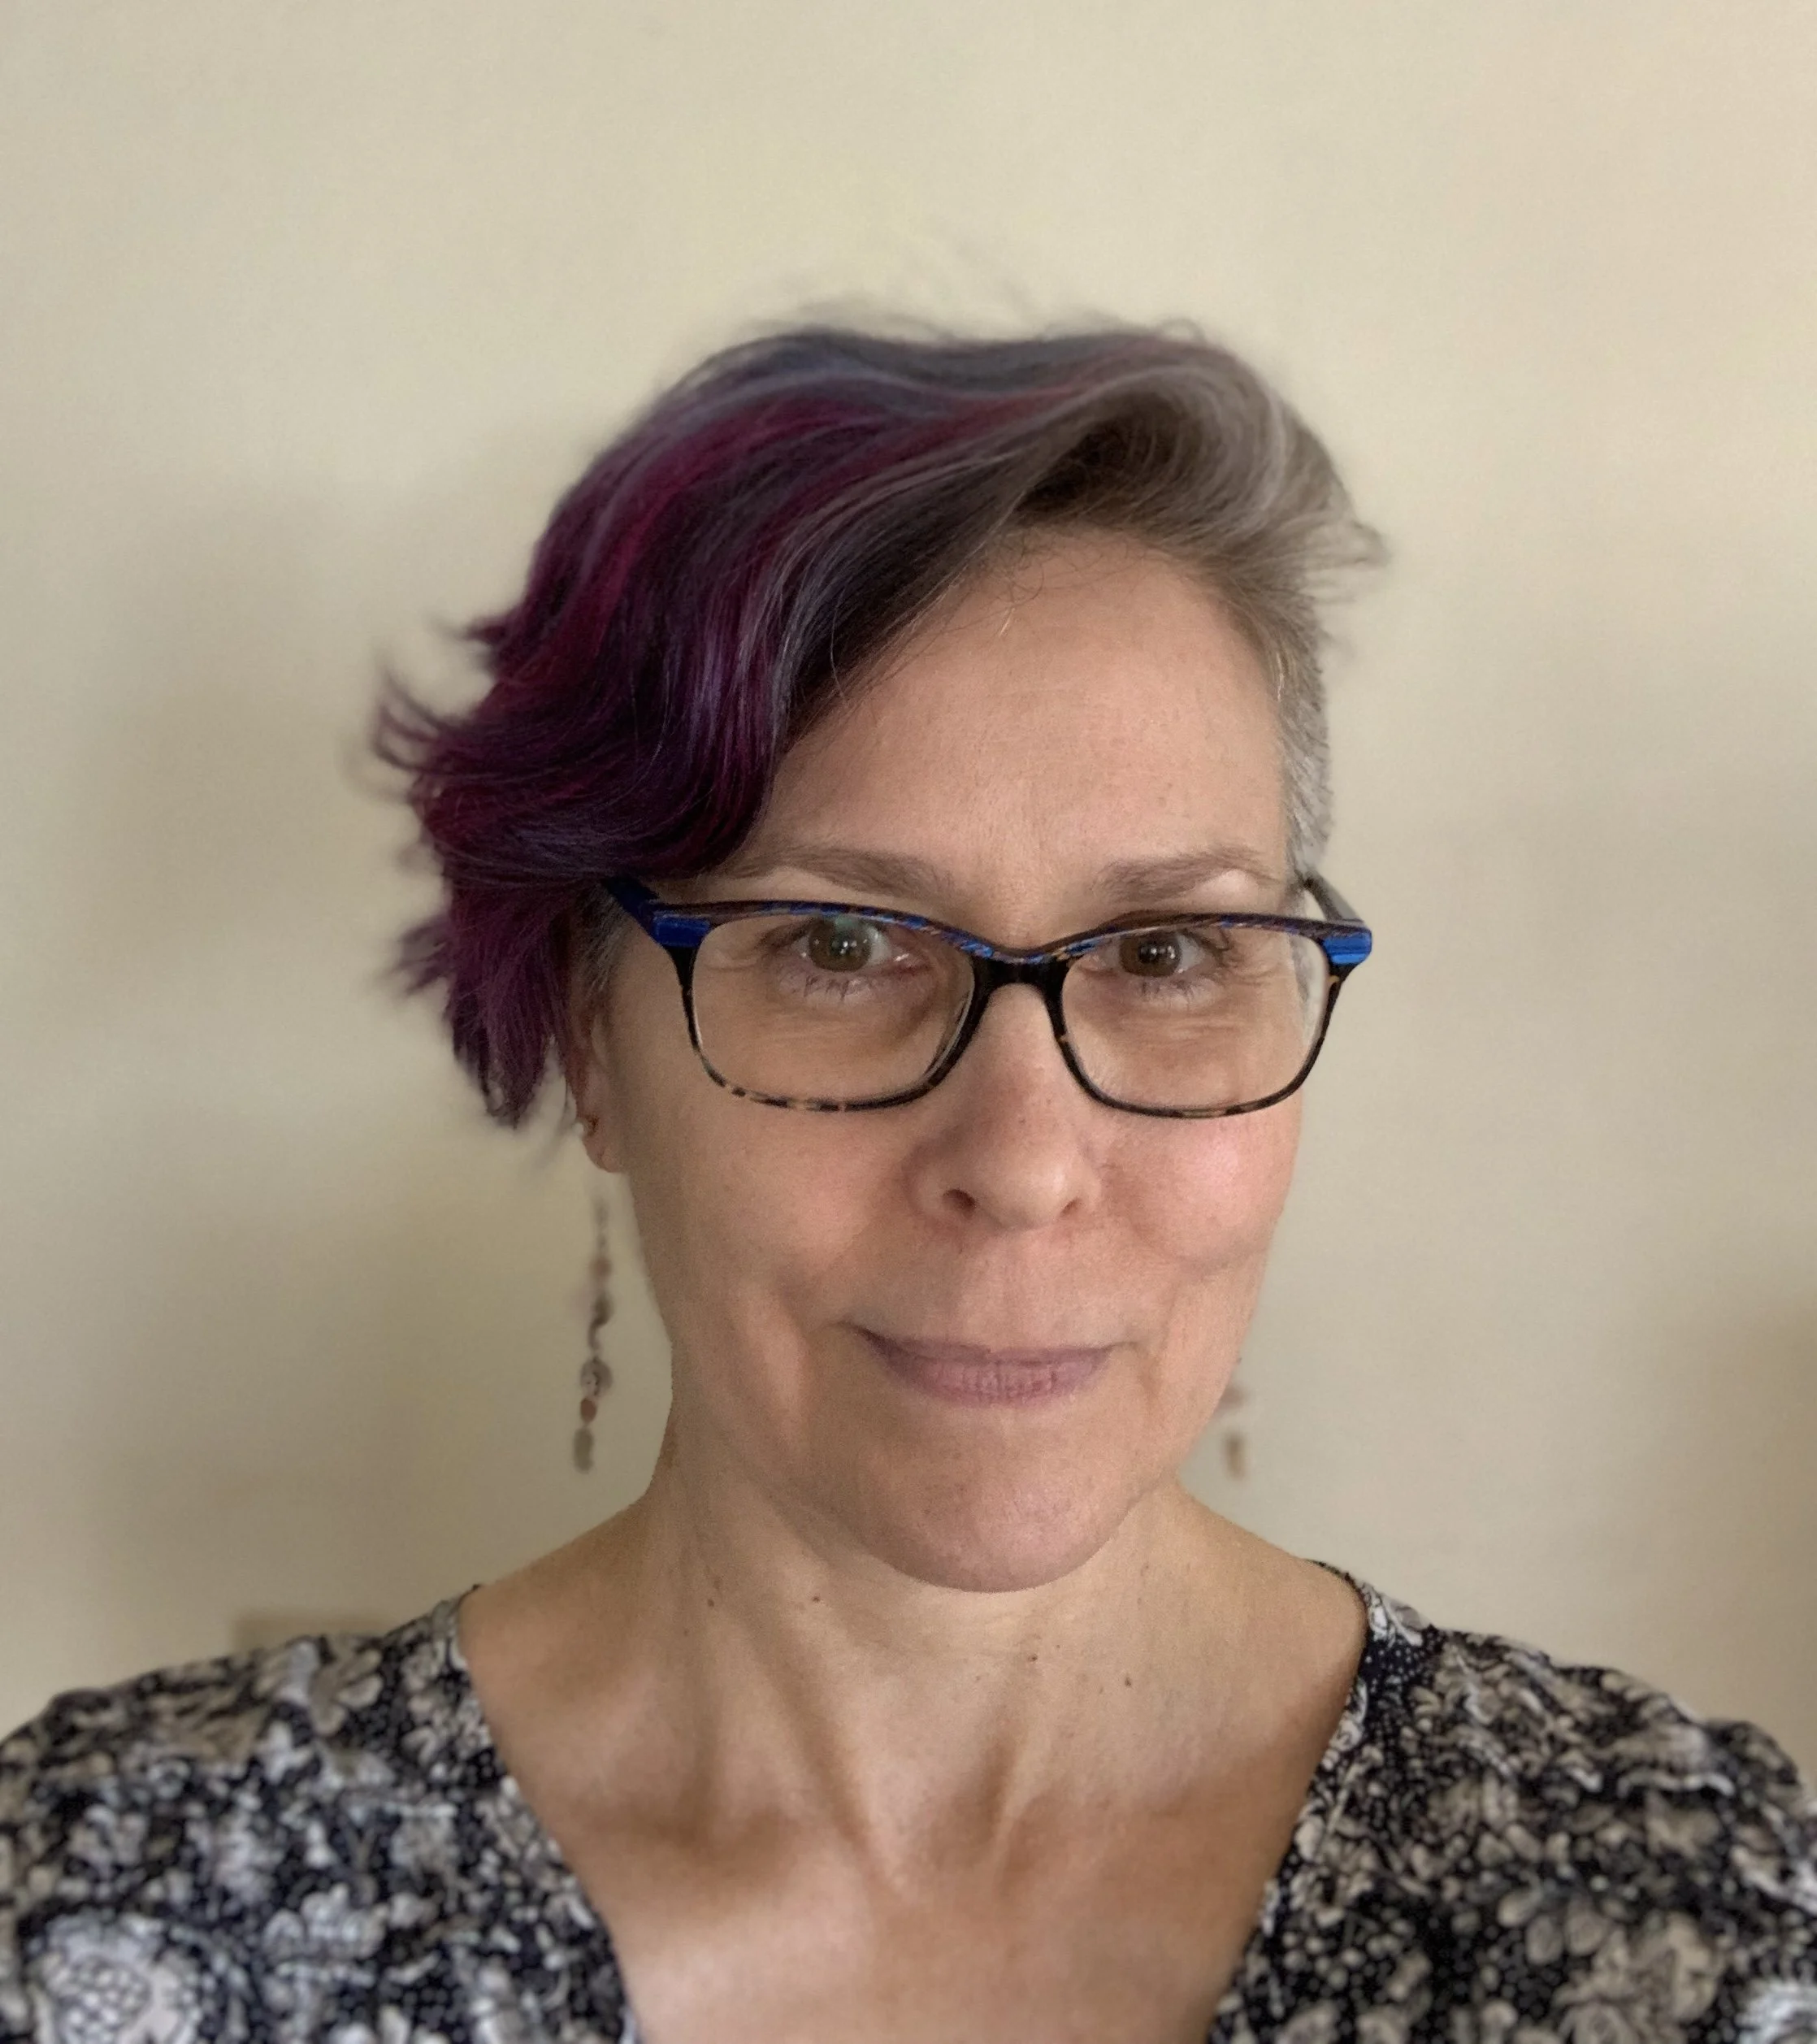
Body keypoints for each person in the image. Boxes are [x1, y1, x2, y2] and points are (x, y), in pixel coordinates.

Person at [2, 320, 1811, 2044]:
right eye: (839, 944)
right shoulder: (119, 1915)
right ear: (588, 1036)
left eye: (1167, 952)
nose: (1021, 1163)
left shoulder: (1681, 1931)